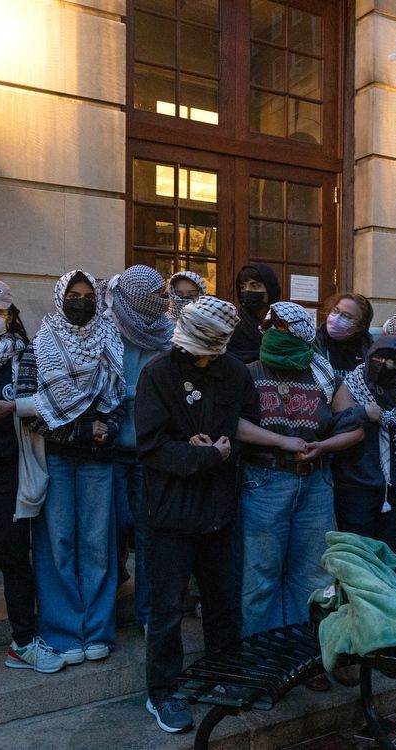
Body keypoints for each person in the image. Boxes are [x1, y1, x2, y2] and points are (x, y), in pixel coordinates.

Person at [136, 297, 257, 733]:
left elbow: (247, 426)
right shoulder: (157, 373)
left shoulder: (237, 373)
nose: (202, 358)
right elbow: (149, 446)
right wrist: (197, 454)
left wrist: (224, 449)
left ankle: (223, 676)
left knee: (222, 603)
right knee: (167, 608)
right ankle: (162, 693)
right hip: (169, 510)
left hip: (219, 509)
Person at [15, 271, 125, 665]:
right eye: (73, 295)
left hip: (100, 461)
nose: (81, 302)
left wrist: (107, 430)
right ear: (60, 298)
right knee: (58, 545)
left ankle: (96, 631)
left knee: (97, 546)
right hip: (58, 459)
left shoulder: (110, 342)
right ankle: (62, 633)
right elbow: (29, 409)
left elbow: (118, 401)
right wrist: (81, 431)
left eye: (88, 296)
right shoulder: (39, 347)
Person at [240, 302, 365, 637]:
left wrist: (322, 447)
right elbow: (234, 425)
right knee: (259, 575)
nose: (273, 333)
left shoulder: (325, 377)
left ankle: (305, 653)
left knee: (313, 576)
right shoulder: (250, 373)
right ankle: (258, 659)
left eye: (282, 328)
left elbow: (355, 428)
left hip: (315, 485)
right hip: (263, 482)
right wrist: (282, 443)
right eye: (270, 326)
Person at [0, 280, 64, 673]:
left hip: (10, 469)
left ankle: (24, 642)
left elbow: (47, 401)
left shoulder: (24, 357)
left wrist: (12, 406)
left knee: (15, 556)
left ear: (10, 316)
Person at [105, 265, 173, 632]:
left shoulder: (165, 333)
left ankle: (148, 613)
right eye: (156, 294)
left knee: (149, 534)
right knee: (111, 532)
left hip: (149, 451)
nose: (162, 301)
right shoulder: (106, 329)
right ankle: (110, 611)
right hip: (109, 448)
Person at [332, 335, 396, 554]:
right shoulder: (350, 385)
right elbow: (335, 423)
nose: (383, 365)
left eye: (391, 362)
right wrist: (363, 413)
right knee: (359, 552)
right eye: (377, 359)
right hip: (357, 483)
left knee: (391, 550)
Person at [226, 263, 281, 364]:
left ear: (270, 289)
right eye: (242, 287)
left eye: (255, 286)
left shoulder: (284, 321)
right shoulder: (232, 323)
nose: (247, 290)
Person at [315, 292, 374, 381]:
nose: (336, 318)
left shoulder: (368, 349)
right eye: (335, 310)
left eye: (346, 316)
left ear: (359, 327)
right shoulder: (313, 341)